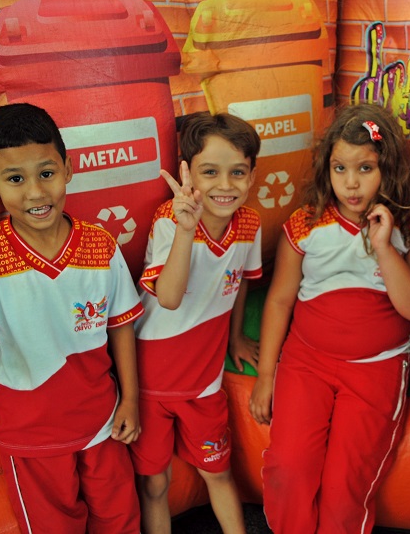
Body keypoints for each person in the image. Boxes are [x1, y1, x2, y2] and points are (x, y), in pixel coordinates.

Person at [0, 103, 143, 533]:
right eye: (15, 179)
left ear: (68, 169)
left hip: (102, 419)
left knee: (120, 519)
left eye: (46, 173)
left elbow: (121, 326)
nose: (36, 193)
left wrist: (130, 401)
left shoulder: (100, 245)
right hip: (29, 431)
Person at [249, 103, 410, 533]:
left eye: (365, 168)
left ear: (387, 168)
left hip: (376, 371)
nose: (351, 183)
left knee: (344, 487)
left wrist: (384, 245)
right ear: (327, 169)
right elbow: (279, 301)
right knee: (289, 468)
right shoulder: (305, 224)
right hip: (306, 365)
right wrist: (266, 376)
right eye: (340, 169)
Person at [131, 111, 262, 534]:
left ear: (252, 175)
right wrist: (186, 229)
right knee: (155, 484)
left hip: (204, 384)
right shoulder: (171, 219)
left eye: (237, 172)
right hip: (150, 383)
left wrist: (236, 336)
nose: (225, 185)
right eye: (210, 172)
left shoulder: (250, 223)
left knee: (217, 473)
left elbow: (241, 281)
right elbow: (168, 298)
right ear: (188, 172)